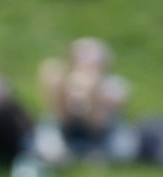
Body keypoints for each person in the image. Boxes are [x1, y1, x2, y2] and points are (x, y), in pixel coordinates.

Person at [33, 37, 133, 165]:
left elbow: (102, 120)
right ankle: (59, 154)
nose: (87, 64)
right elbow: (56, 113)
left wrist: (93, 92)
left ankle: (95, 155)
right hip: (68, 130)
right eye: (82, 58)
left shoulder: (113, 84)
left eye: (93, 60)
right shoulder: (63, 82)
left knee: (123, 148)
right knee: (48, 127)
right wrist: (61, 90)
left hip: (101, 135)